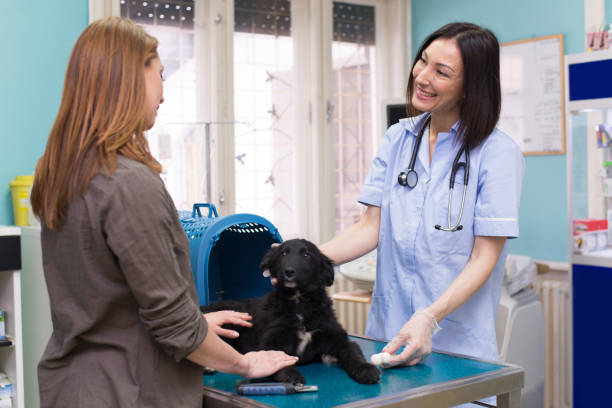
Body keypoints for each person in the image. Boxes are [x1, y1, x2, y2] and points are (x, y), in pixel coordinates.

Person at [30, 17, 297, 408]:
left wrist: (197, 324)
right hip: (126, 391)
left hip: (73, 385)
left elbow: (105, 299)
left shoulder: (59, 171)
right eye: (161, 74)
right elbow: (173, 324)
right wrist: (243, 364)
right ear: (127, 79)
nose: (163, 94)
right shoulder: (128, 182)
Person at [320, 22, 524, 374]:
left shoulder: (498, 153)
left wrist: (429, 318)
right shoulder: (398, 138)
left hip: (457, 347)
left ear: (470, 87)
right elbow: (371, 227)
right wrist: (308, 258)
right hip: (389, 334)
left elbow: (484, 256)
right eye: (423, 61)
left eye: (442, 72)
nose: (423, 76)